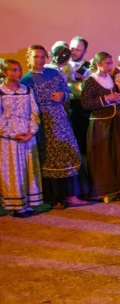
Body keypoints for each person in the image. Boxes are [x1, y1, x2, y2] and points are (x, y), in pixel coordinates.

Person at [22, 45, 84, 210]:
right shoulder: (25, 81)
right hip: (43, 122)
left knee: (69, 153)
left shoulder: (54, 73)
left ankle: (72, 195)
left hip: (61, 119)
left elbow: (67, 92)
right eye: (36, 56)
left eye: (42, 56)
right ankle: (55, 198)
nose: (40, 60)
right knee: (50, 159)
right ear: (28, 58)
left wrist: (63, 95)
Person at [80, 52, 120, 202]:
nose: (110, 66)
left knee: (117, 153)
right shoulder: (90, 81)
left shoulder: (112, 78)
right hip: (101, 123)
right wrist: (106, 98)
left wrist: (117, 97)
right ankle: (105, 191)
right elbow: (85, 104)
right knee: (104, 156)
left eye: (111, 63)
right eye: (107, 63)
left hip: (116, 120)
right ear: (98, 64)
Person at [0, 59, 43, 216]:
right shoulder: (1, 92)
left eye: (19, 70)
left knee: (28, 168)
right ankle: (17, 205)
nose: (18, 73)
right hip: (9, 138)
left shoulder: (27, 90)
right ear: (4, 72)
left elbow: (34, 112)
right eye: (14, 70)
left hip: (27, 134)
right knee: (13, 170)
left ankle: (29, 202)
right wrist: (11, 133)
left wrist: (31, 131)